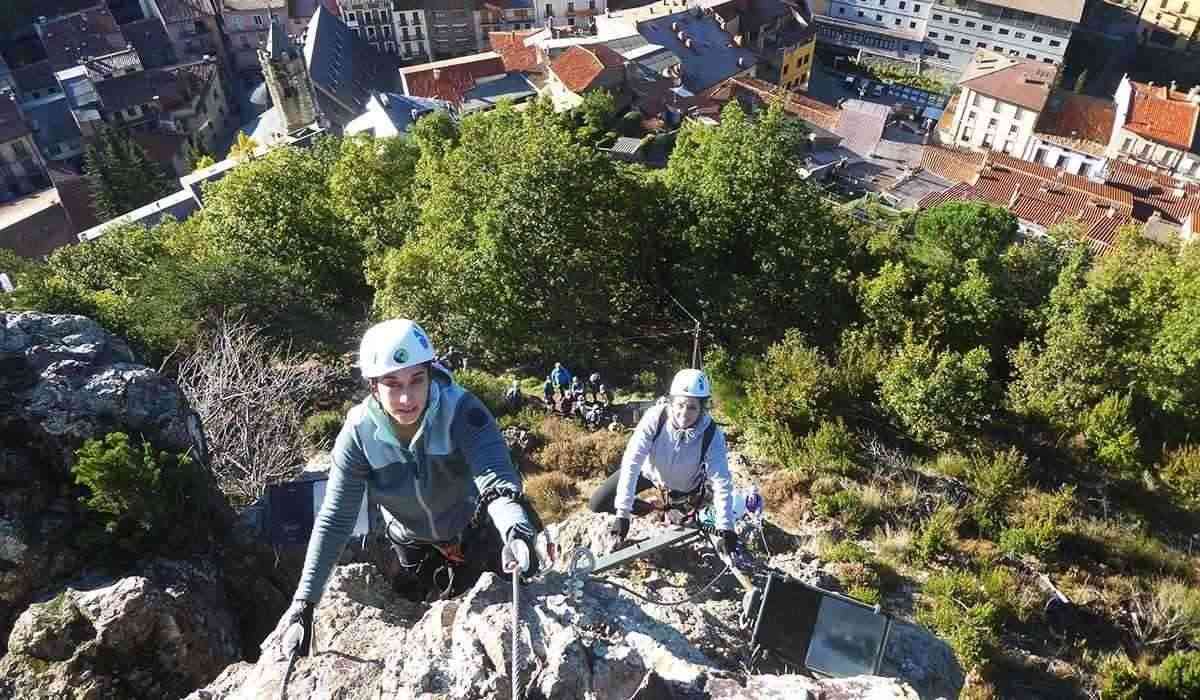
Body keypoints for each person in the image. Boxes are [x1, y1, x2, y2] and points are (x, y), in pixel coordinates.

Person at [261, 319, 540, 659]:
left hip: (480, 531)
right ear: (372, 385)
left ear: (430, 373)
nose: (407, 397)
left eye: (416, 380)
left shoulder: (461, 410)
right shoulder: (359, 434)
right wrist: (304, 603)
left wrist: (516, 530)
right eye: (393, 384)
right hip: (414, 547)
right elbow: (336, 519)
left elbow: (495, 480)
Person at [588, 369, 736, 556]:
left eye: (692, 407)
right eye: (680, 404)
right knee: (597, 502)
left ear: (702, 408)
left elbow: (722, 481)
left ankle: (669, 507)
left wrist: (726, 528)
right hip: (650, 473)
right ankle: (645, 507)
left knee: (679, 526)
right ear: (671, 402)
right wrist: (623, 513)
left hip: (683, 488)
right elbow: (632, 462)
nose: (684, 413)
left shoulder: (711, 434)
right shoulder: (655, 417)